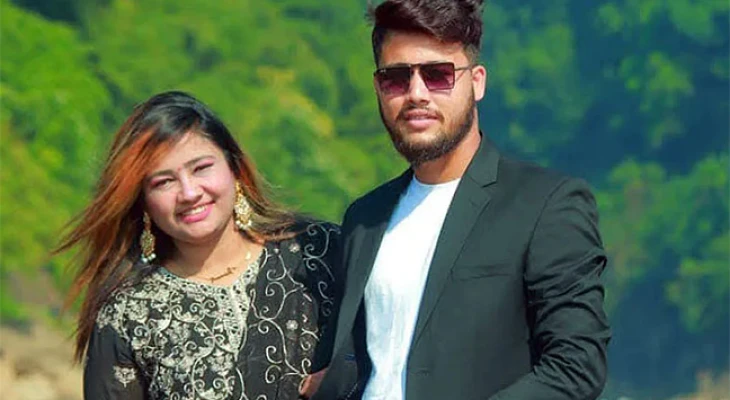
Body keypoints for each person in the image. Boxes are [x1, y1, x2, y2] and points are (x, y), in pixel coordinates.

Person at [307, 0, 611, 399]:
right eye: (396, 78)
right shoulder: (365, 218)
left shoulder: (546, 205)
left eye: (437, 75)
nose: (416, 94)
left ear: (477, 82)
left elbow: (576, 367)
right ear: (378, 87)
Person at [55, 91, 341, 400]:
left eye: (201, 168)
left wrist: (345, 378)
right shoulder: (129, 313)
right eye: (163, 182)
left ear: (235, 169)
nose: (189, 193)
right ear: (144, 202)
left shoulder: (318, 251)